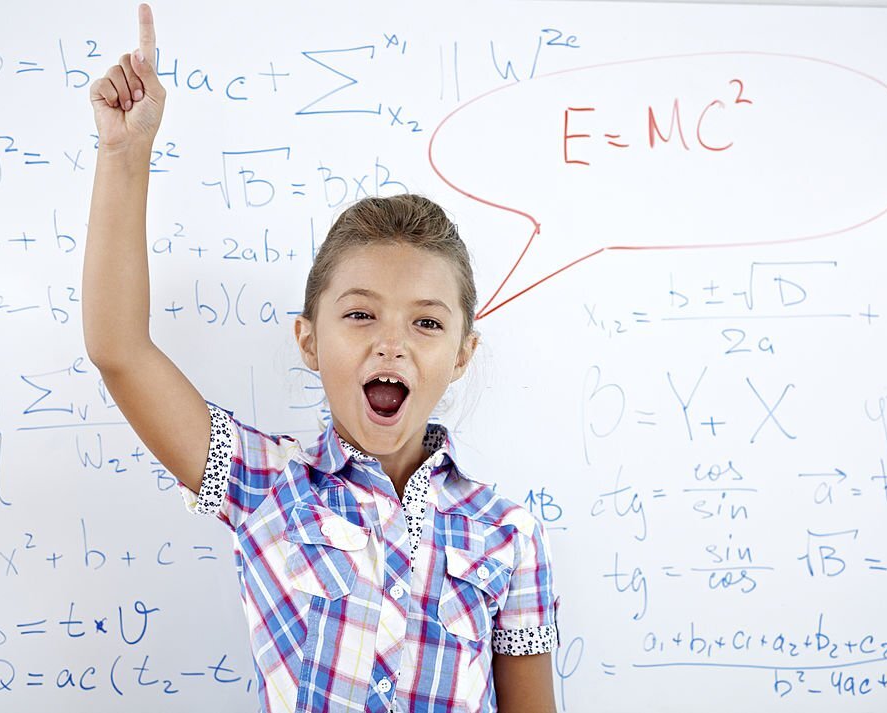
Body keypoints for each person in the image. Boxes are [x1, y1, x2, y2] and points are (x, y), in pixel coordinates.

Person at [83, 4, 560, 712]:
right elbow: (119, 349)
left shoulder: (508, 532)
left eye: (425, 322)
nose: (390, 342)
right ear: (309, 340)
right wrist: (127, 155)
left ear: (462, 355)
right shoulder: (265, 484)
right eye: (360, 313)